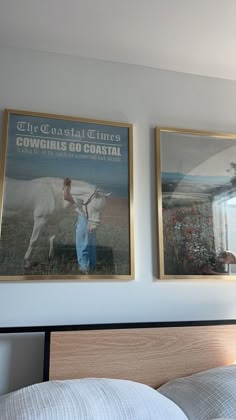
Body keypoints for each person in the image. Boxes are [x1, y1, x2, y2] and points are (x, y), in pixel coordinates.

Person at [63, 177, 96, 274]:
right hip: (91, 219)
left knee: (82, 244)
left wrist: (66, 186)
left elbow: (66, 196)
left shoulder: (79, 194)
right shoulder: (91, 194)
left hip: (84, 219)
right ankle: (92, 266)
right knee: (91, 244)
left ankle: (84, 268)